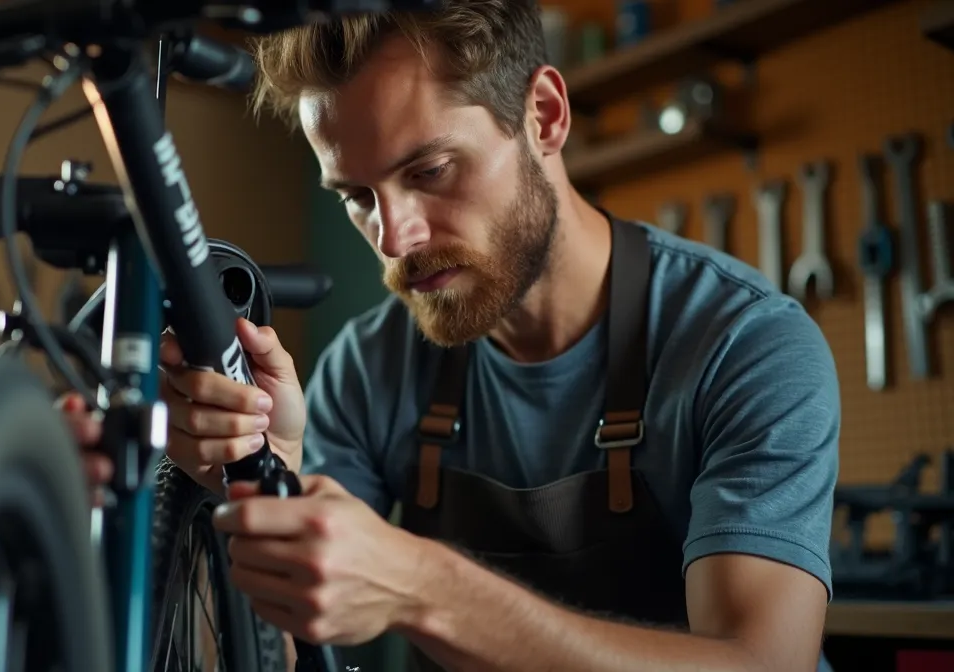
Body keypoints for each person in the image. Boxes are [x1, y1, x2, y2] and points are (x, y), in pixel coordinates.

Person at [63, 1, 841, 670]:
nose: (395, 238)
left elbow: (759, 662)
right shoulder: (368, 370)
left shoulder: (745, 345)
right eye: (357, 197)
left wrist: (424, 586)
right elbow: (288, 653)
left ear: (544, 117)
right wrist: (266, 477)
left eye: (430, 171)